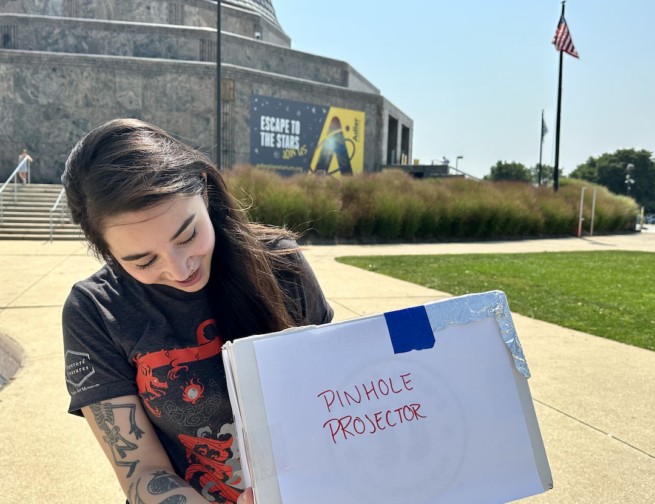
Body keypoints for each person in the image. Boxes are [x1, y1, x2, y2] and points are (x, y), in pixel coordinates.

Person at [61, 119, 333, 504]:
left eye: (188, 236)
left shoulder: (280, 264)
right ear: (107, 251)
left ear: (204, 192)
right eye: (142, 261)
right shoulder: (94, 310)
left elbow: (336, 397)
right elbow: (142, 471)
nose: (178, 268)